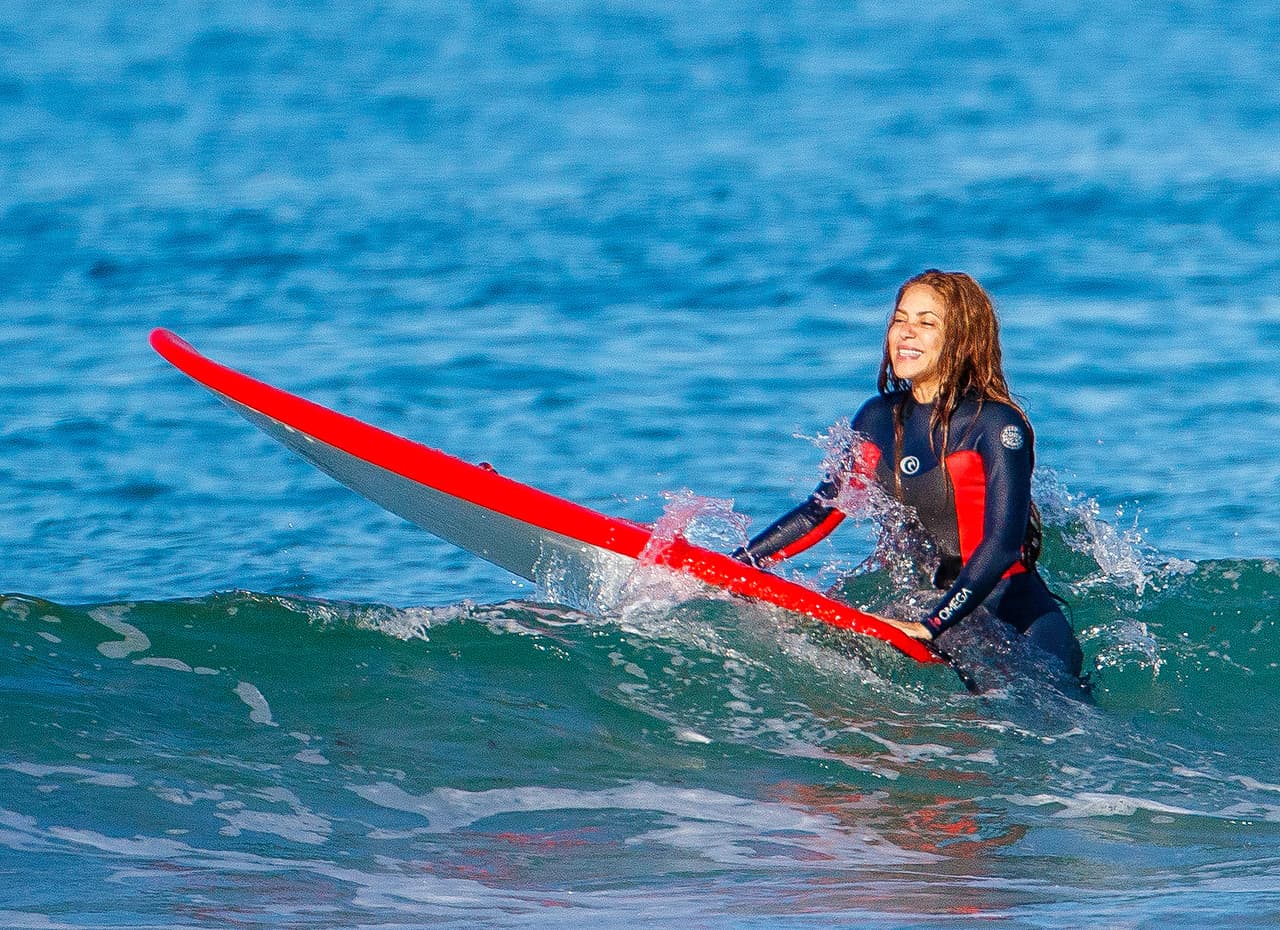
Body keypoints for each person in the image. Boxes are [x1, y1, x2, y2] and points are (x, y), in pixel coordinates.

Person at [733, 270, 1083, 681]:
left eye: (926, 322)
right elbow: (821, 511)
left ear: (961, 341)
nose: (906, 333)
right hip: (930, 609)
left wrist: (932, 625)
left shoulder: (993, 424)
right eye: (900, 320)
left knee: (1036, 733)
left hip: (1016, 623)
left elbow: (1003, 545)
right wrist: (740, 566)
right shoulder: (877, 419)